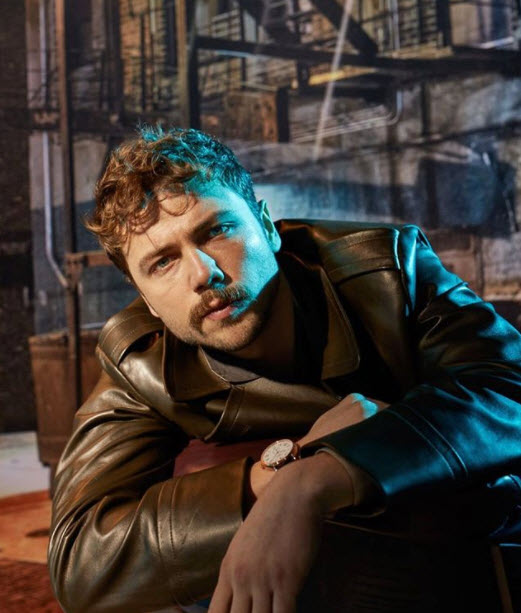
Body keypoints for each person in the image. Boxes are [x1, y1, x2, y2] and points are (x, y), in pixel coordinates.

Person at [48, 126, 521, 613]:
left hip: (463, 548)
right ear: (145, 299)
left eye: (216, 231)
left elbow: (508, 389)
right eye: (163, 262)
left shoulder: (385, 269)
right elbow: (82, 561)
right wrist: (276, 475)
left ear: (266, 226)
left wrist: (316, 479)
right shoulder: (143, 361)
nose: (203, 273)